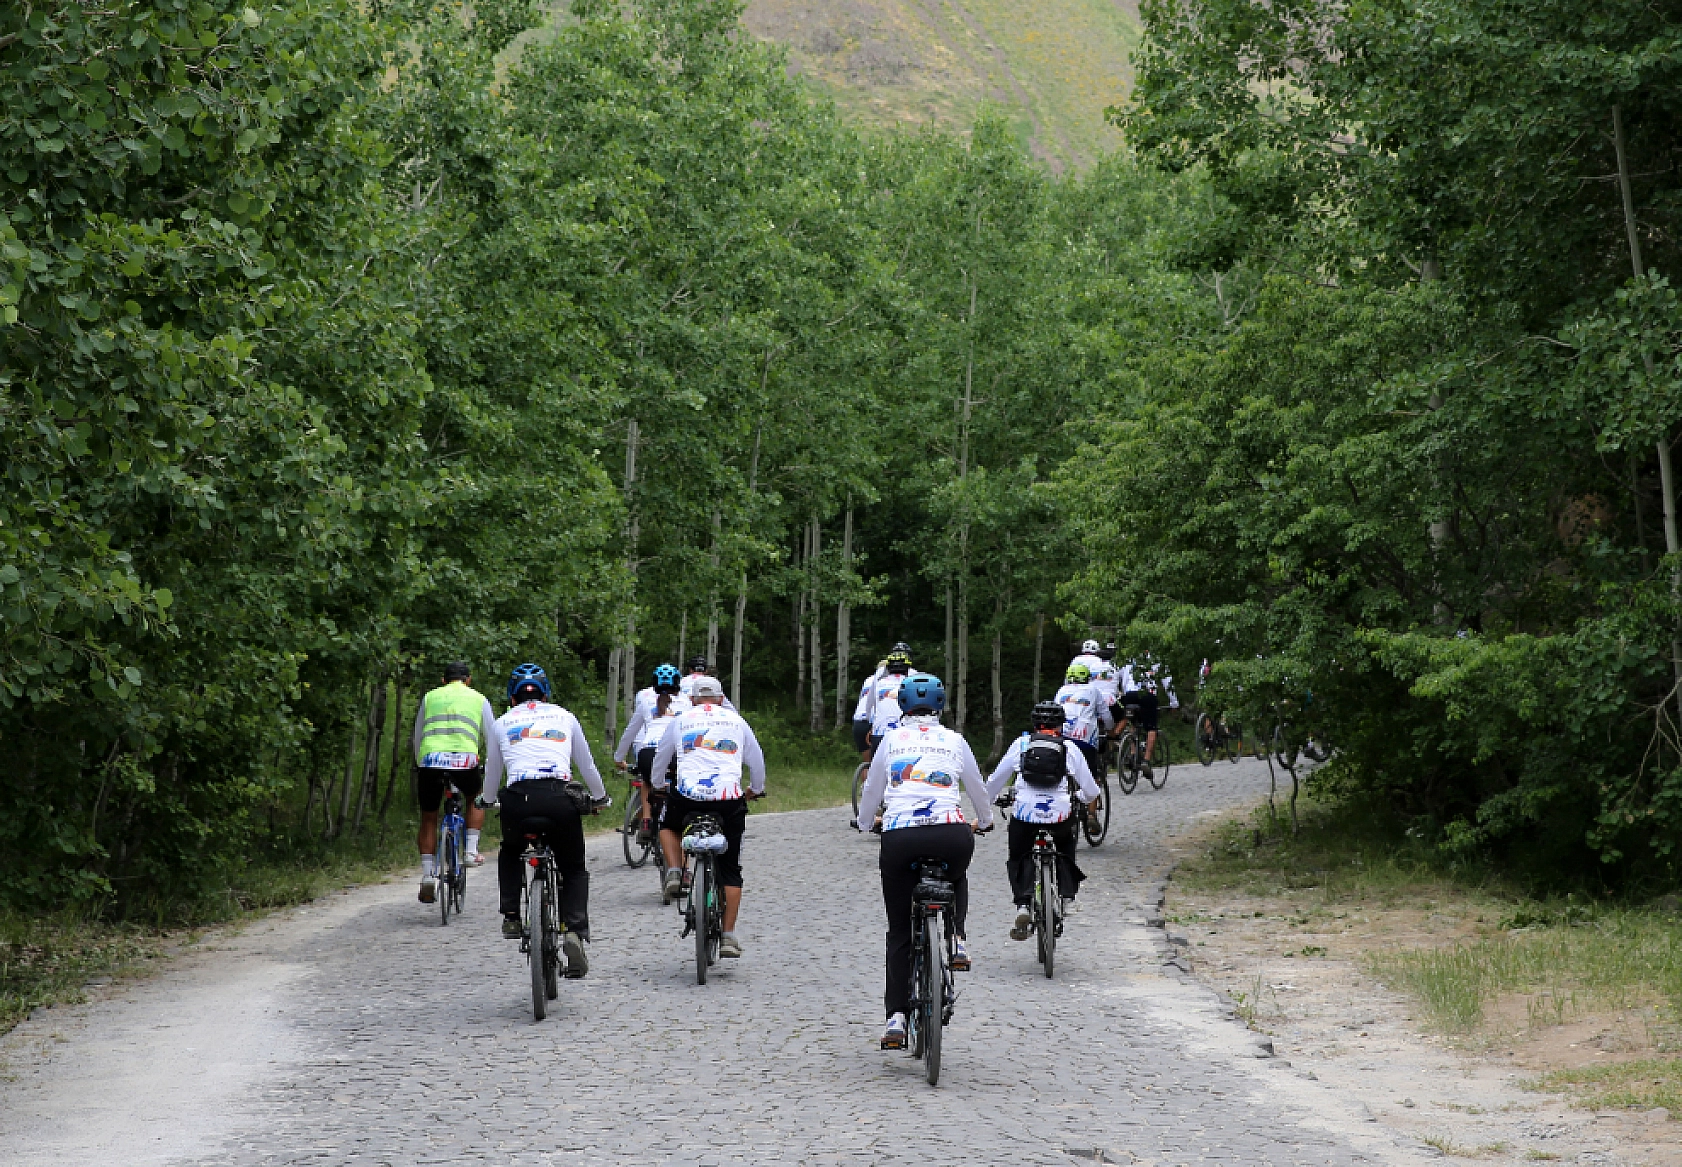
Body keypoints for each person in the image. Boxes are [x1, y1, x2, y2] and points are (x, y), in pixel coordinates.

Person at [854, 672, 994, 1051]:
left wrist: (867, 823)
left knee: (900, 930)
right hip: (950, 834)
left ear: (902, 706)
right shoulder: (955, 740)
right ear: (940, 706)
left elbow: (872, 790)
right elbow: (978, 789)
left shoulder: (890, 741)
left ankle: (896, 1018)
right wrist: (988, 820)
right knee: (957, 872)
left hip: (900, 837)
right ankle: (957, 938)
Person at [479, 663, 610, 977]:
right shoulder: (564, 716)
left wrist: (485, 801)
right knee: (574, 868)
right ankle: (574, 931)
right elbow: (587, 765)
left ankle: (511, 913)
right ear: (546, 693)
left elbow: (493, 771)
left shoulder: (502, 723)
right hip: (559, 798)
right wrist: (600, 797)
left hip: (518, 800)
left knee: (511, 851)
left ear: (512, 698)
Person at [650, 676, 767, 958]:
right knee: (730, 868)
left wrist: (658, 785)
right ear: (721, 698)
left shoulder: (680, 720)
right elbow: (757, 760)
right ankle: (728, 935)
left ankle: (676, 871)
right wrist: (756, 789)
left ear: (691, 699)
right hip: (728, 799)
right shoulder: (736, 720)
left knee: (666, 825)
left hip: (687, 796)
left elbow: (660, 759)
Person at [986, 701, 1101, 941]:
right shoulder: (1069, 748)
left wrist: (996, 799)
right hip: (1059, 813)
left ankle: (1023, 906)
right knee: (1066, 847)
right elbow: (1091, 790)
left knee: (1018, 855)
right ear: (1061, 724)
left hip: (1025, 813)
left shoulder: (1021, 745)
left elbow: (995, 781)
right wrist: (1076, 797)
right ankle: (1068, 897)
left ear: (1034, 723)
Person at [411, 662, 504, 903]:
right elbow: (492, 737)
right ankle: (471, 851)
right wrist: (493, 765)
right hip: (464, 762)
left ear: (444, 680)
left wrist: (419, 762)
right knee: (476, 797)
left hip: (431, 761)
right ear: (468, 680)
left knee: (429, 816)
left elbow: (418, 733)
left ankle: (428, 874)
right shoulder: (478, 699)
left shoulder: (430, 697)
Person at [614, 663, 689, 842]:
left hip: (648, 752)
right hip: (674, 753)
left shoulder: (646, 702)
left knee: (647, 781)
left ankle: (646, 821)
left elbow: (630, 733)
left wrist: (619, 758)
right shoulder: (688, 702)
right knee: (678, 781)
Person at [1055, 662, 1112, 777]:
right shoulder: (1093, 690)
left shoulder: (1061, 690)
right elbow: (1105, 714)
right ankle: (1093, 791)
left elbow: (1055, 711)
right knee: (1091, 775)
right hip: (1086, 738)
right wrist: (1110, 729)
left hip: (1062, 735)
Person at [861, 646, 914, 760]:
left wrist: (871, 725)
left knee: (875, 768)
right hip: (903, 735)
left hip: (879, 735)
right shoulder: (911, 683)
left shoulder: (879, 681)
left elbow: (869, 704)